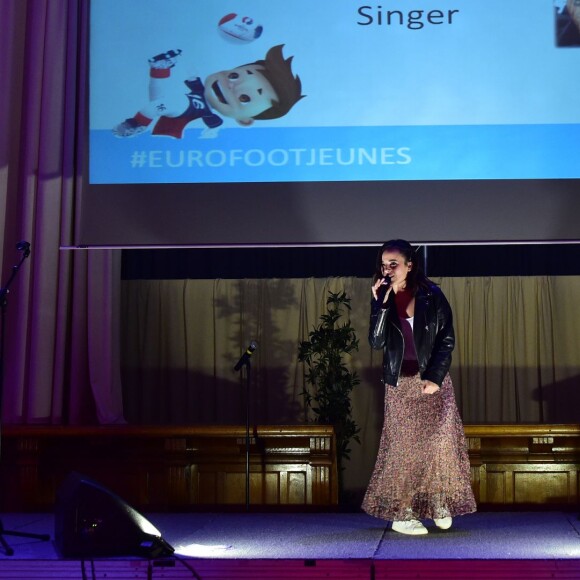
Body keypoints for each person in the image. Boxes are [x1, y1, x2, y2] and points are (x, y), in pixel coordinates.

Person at [361, 239, 476, 535]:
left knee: (439, 445)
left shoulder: (432, 295)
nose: (387, 270)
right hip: (401, 385)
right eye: (384, 265)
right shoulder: (383, 297)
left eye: (393, 264)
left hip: (433, 385)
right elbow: (376, 342)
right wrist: (380, 305)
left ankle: (438, 502)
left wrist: (435, 378)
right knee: (404, 450)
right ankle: (402, 513)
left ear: (409, 265)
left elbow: (446, 340)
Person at [113, 44, 304, 139]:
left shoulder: (207, 112)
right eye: (235, 76)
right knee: (158, 100)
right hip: (178, 105)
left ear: (245, 120)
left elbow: (214, 123)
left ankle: (137, 124)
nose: (232, 86)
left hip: (185, 109)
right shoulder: (201, 90)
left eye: (245, 98)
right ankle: (160, 68)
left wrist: (211, 131)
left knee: (158, 103)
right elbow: (193, 78)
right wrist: (189, 61)